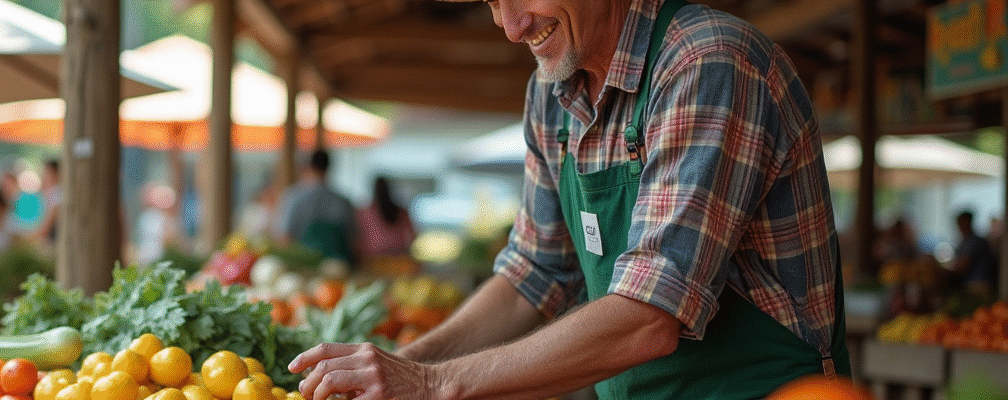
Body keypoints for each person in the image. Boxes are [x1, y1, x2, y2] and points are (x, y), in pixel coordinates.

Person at [289, 0, 850, 398]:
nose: (510, 27)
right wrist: (408, 365)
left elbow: (651, 315)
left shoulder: (707, 63)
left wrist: (435, 384)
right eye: (492, 1)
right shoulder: (550, 96)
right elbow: (534, 274)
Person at [273, 150, 358, 265]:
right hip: (340, 268)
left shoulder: (293, 197)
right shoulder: (344, 202)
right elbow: (353, 243)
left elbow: (284, 239)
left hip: (303, 268)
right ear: (328, 167)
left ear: (306, 167)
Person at [356, 176, 418, 275]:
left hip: (372, 261)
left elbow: (357, 238)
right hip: (399, 259)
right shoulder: (401, 211)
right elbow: (413, 235)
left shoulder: (364, 212)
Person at [950, 210, 998, 300]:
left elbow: (962, 265)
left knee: (980, 311)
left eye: (962, 223)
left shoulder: (974, 242)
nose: (960, 227)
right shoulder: (966, 241)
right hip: (974, 285)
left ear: (968, 223)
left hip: (979, 286)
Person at [135, 182, 184, 266]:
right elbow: (167, 239)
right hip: (153, 259)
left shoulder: (168, 218)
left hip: (157, 259)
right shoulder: (153, 216)